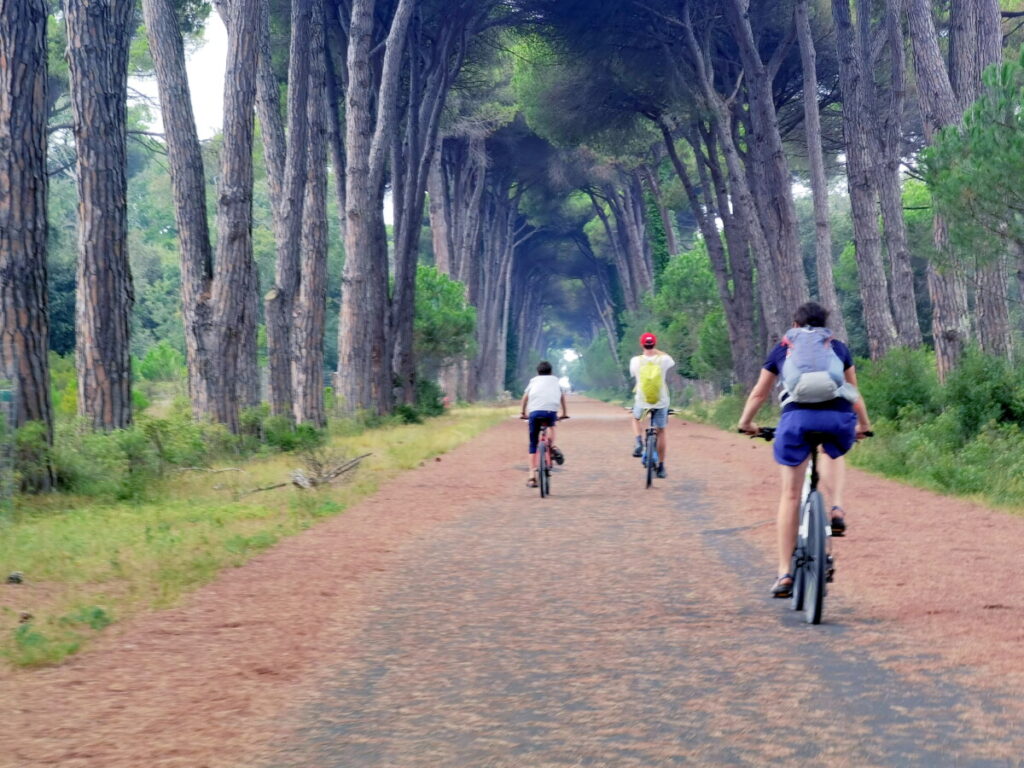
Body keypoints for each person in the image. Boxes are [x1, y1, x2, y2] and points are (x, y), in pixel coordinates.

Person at [737, 302, 872, 598]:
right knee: (832, 450)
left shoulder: (783, 348)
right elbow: (854, 394)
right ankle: (836, 507)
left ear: (795, 326)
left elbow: (760, 392)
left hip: (796, 421)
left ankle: (785, 573)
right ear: (825, 326)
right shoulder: (837, 347)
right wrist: (863, 425)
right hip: (838, 418)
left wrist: (746, 423)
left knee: (790, 495)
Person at [629, 333, 675, 479]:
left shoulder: (635, 360)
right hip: (661, 400)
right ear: (655, 344)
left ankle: (638, 442)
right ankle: (661, 467)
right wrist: (656, 351)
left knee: (636, 418)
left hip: (642, 400)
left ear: (641, 344)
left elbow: (632, 374)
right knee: (661, 431)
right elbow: (670, 359)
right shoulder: (664, 359)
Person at [520, 360, 568, 488]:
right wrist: (564, 412)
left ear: (538, 372)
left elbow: (525, 397)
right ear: (551, 372)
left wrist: (522, 412)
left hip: (534, 413)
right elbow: (561, 397)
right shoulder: (555, 381)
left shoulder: (533, 381)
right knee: (552, 425)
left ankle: (531, 476)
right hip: (550, 411)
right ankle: (551, 446)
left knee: (533, 444)